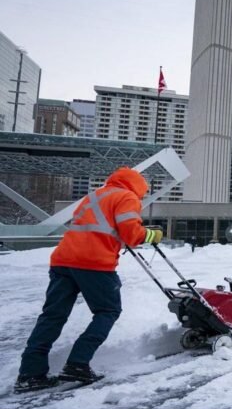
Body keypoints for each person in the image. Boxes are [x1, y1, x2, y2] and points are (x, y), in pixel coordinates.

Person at [15, 167, 163, 393]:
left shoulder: (95, 195)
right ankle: (77, 363)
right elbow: (132, 235)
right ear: (139, 186)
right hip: (94, 263)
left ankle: (30, 374)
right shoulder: (127, 197)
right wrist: (153, 234)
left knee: (52, 316)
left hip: (63, 260)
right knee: (108, 311)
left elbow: (99, 228)